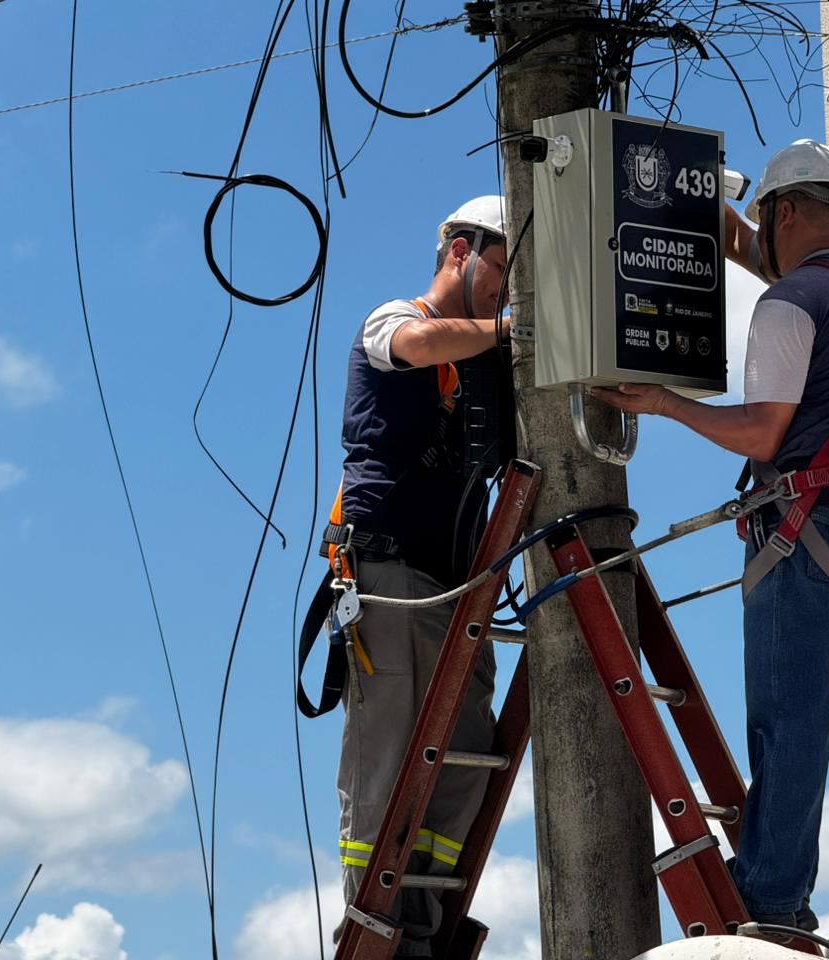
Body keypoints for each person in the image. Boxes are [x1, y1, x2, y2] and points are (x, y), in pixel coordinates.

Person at [593, 140, 829, 931]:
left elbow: (765, 433)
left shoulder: (790, 302)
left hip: (811, 525)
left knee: (787, 717)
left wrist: (664, 403)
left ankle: (771, 896)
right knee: (802, 705)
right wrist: (704, 204)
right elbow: (759, 252)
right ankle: (775, 879)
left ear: (787, 211)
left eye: (765, 218)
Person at [328, 195, 509, 957]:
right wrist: (513, 331)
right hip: (389, 566)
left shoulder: (487, 360)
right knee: (390, 751)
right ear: (459, 252)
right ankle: (373, 926)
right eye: (499, 269)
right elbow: (417, 344)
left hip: (455, 581)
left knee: (466, 749)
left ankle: (423, 926)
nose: (506, 291)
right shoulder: (393, 319)